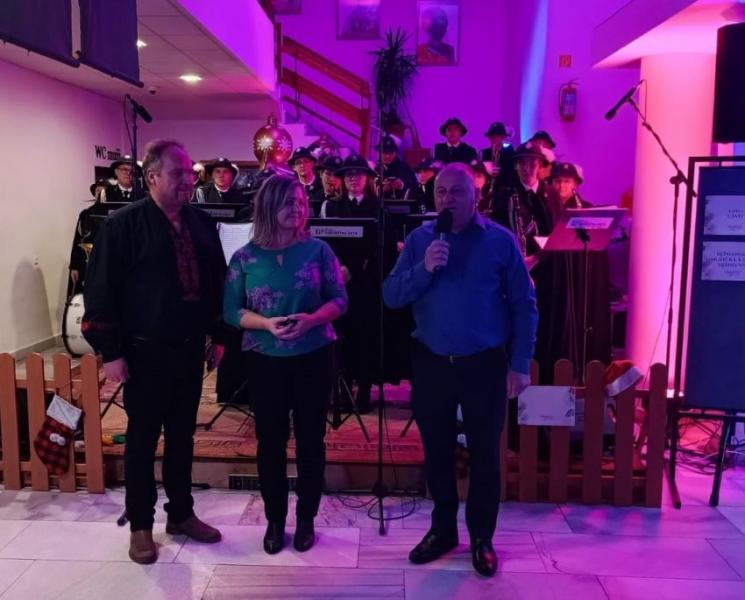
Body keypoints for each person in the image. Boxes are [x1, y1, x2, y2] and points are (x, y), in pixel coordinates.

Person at [383, 163, 537, 577]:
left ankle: (482, 537)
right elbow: (391, 295)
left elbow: (524, 306)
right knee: (437, 451)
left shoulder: (501, 242)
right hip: (432, 363)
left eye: (455, 192)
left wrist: (520, 364)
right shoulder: (420, 240)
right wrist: (424, 268)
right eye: (440, 192)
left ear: (475, 197)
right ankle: (443, 530)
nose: (446, 199)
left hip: (484, 364)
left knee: (485, 454)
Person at [82, 139, 227, 564]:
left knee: (182, 437)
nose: (187, 181)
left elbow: (216, 282)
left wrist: (219, 335)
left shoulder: (202, 222)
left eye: (189, 173)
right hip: (143, 354)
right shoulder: (121, 226)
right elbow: (100, 292)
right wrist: (111, 351)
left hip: (189, 350)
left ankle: (181, 513)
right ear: (152, 177)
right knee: (142, 440)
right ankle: (141, 525)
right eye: (178, 173)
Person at [223, 174, 348, 555]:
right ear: (268, 206)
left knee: (311, 440)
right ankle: (275, 519)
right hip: (265, 360)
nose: (297, 208)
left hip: (314, 355)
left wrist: (312, 320)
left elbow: (340, 300)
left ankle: (307, 517)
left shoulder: (319, 251)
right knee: (270, 442)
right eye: (288, 202)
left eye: (300, 201)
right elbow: (231, 311)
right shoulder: (244, 258)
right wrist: (266, 324)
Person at [493, 141, 564, 384]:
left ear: (540, 165)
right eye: (522, 163)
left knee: (545, 324)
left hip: (546, 269)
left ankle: (544, 381)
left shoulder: (550, 194)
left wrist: (536, 258)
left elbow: (558, 231)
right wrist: (518, 261)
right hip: (516, 270)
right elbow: (499, 232)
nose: (527, 168)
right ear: (515, 166)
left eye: (532, 163)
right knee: (519, 323)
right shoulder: (505, 195)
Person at [68, 178, 110, 296]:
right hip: (86, 263)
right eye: (97, 191)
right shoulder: (85, 214)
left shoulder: (114, 214)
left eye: (103, 191)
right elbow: (77, 239)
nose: (100, 193)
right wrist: (74, 266)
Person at [378, 135, 418, 199]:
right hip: (378, 203)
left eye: (391, 153)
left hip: (401, 203)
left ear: (395, 153)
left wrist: (401, 185)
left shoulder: (404, 167)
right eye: (384, 153)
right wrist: (380, 189)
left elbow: (415, 187)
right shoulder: (374, 168)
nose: (387, 156)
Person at [481, 121, 516, 191]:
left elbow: (512, 174)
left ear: (503, 137)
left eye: (498, 136)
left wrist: (501, 173)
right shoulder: (484, 153)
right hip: (487, 190)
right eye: (492, 136)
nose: (494, 138)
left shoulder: (510, 153)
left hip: (504, 190)